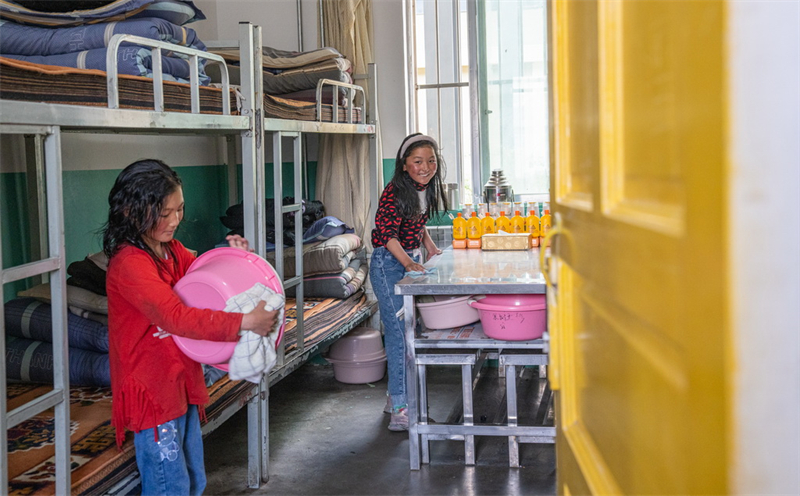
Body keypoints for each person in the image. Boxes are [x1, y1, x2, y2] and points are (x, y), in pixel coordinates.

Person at [102, 159, 279, 495]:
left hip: (178, 378)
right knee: (170, 484)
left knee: (193, 477)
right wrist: (245, 322)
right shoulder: (129, 263)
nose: (175, 221)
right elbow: (176, 317)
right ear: (132, 211)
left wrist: (233, 257)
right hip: (152, 389)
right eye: (164, 213)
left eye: (179, 210)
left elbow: (202, 274)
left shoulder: (169, 250)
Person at [369, 133, 449, 431]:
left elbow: (417, 221)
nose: (426, 166)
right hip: (388, 263)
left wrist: (427, 246)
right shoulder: (393, 193)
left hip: (407, 258)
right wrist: (408, 263)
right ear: (404, 165)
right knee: (400, 333)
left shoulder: (422, 188)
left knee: (408, 330)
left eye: (430, 161)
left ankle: (395, 397)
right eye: (418, 161)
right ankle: (401, 410)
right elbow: (387, 235)